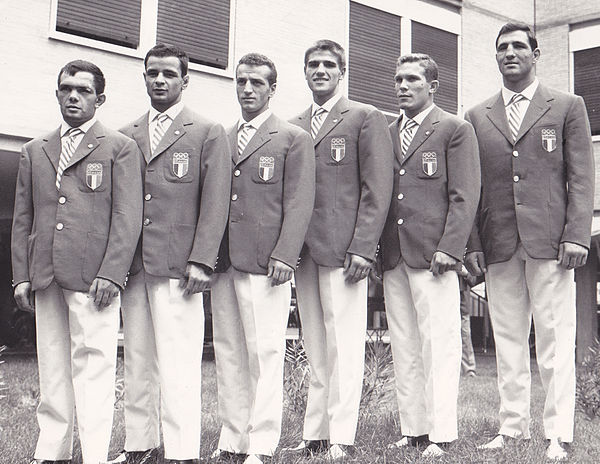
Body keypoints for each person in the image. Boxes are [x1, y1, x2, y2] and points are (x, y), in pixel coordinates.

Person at [465, 22, 595, 461]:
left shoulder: (567, 106)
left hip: (553, 242)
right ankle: (512, 426)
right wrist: (473, 243)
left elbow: (580, 176)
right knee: (508, 338)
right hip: (499, 242)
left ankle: (558, 432)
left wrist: (577, 233)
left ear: (535, 54)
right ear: (496, 57)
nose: (510, 53)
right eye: (502, 48)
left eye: (519, 46)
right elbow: (472, 185)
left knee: (556, 339)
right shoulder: (477, 116)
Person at [12, 60, 143, 464]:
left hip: (92, 277)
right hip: (45, 273)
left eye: (84, 90)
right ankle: (51, 451)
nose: (73, 95)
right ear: (56, 94)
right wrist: (22, 275)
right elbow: (24, 217)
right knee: (52, 364)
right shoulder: (35, 150)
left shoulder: (119, 147)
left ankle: (94, 455)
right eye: (66, 88)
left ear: (99, 99)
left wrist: (111, 273)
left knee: (93, 366)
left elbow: (127, 216)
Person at [115, 43, 231, 464]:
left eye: (168, 74)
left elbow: (216, 203)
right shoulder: (125, 134)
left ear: (186, 80)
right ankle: (138, 445)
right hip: (134, 265)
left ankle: (182, 452)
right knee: (137, 358)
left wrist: (203, 259)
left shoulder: (206, 131)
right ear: (143, 77)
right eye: (152, 73)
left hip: (180, 266)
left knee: (180, 362)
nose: (159, 80)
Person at [288, 39, 394, 461]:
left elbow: (376, 188)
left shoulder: (365, 117)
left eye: (329, 65)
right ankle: (314, 432)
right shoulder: (292, 123)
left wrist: (364, 247)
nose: (320, 70)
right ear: (305, 72)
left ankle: (341, 437)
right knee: (313, 342)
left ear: (342, 72)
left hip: (346, 249)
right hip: (304, 251)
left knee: (344, 344)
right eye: (313, 64)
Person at [210, 53, 315, 464]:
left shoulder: (291, 137)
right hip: (224, 261)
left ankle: (262, 441)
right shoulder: (222, 134)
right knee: (229, 350)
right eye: (241, 82)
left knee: (264, 353)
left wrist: (286, 254)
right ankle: (231, 437)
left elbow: (299, 201)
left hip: (267, 263)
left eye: (257, 82)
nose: (248, 89)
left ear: (272, 89)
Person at [379, 53, 480, 458]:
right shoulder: (386, 132)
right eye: (398, 79)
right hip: (393, 255)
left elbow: (464, 195)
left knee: (439, 344)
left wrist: (450, 248)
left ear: (433, 86)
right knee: (403, 342)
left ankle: (442, 433)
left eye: (412, 80)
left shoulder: (454, 129)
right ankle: (414, 429)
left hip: (435, 255)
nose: (402, 86)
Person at [458, 268, 478, 377]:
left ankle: (469, 370)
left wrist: (465, 272)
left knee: (465, 336)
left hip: (462, 307)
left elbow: (473, 280)